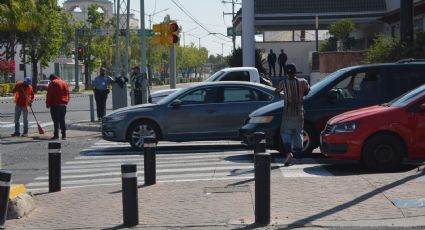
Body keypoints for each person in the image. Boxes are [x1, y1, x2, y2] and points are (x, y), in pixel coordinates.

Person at [274, 63, 310, 166]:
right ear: (295, 72)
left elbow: (276, 92)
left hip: (287, 113)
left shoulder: (283, 83)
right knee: (298, 134)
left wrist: (283, 93)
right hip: (299, 113)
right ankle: (299, 158)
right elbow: (307, 92)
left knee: (285, 134)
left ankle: (289, 153)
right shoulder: (303, 82)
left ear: (286, 73)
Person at [46, 74, 70, 140]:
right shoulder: (64, 82)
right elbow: (68, 93)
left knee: (56, 121)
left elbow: (49, 94)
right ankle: (64, 135)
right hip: (63, 104)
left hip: (55, 104)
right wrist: (66, 101)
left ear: (51, 78)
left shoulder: (53, 83)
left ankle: (56, 135)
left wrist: (48, 103)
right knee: (62, 120)